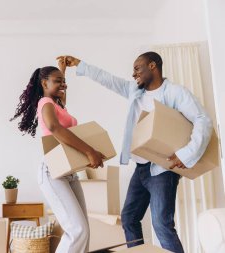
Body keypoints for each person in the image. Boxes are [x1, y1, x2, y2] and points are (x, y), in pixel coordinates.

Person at [58, 52, 213, 253]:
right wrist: (80, 64)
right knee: (129, 218)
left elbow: (203, 120)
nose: (133, 74)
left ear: (152, 66)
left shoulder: (175, 92)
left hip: (162, 171)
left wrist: (186, 154)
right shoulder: (135, 91)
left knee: (162, 225)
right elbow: (109, 80)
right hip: (140, 168)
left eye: (137, 68)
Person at [10, 59, 106, 253]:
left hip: (68, 171)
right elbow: (54, 127)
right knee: (77, 229)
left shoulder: (58, 105)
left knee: (83, 230)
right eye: (57, 81)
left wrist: (62, 72)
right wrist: (89, 151)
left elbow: (60, 96)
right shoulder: (45, 103)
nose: (63, 85)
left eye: (63, 81)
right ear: (44, 84)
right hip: (52, 171)